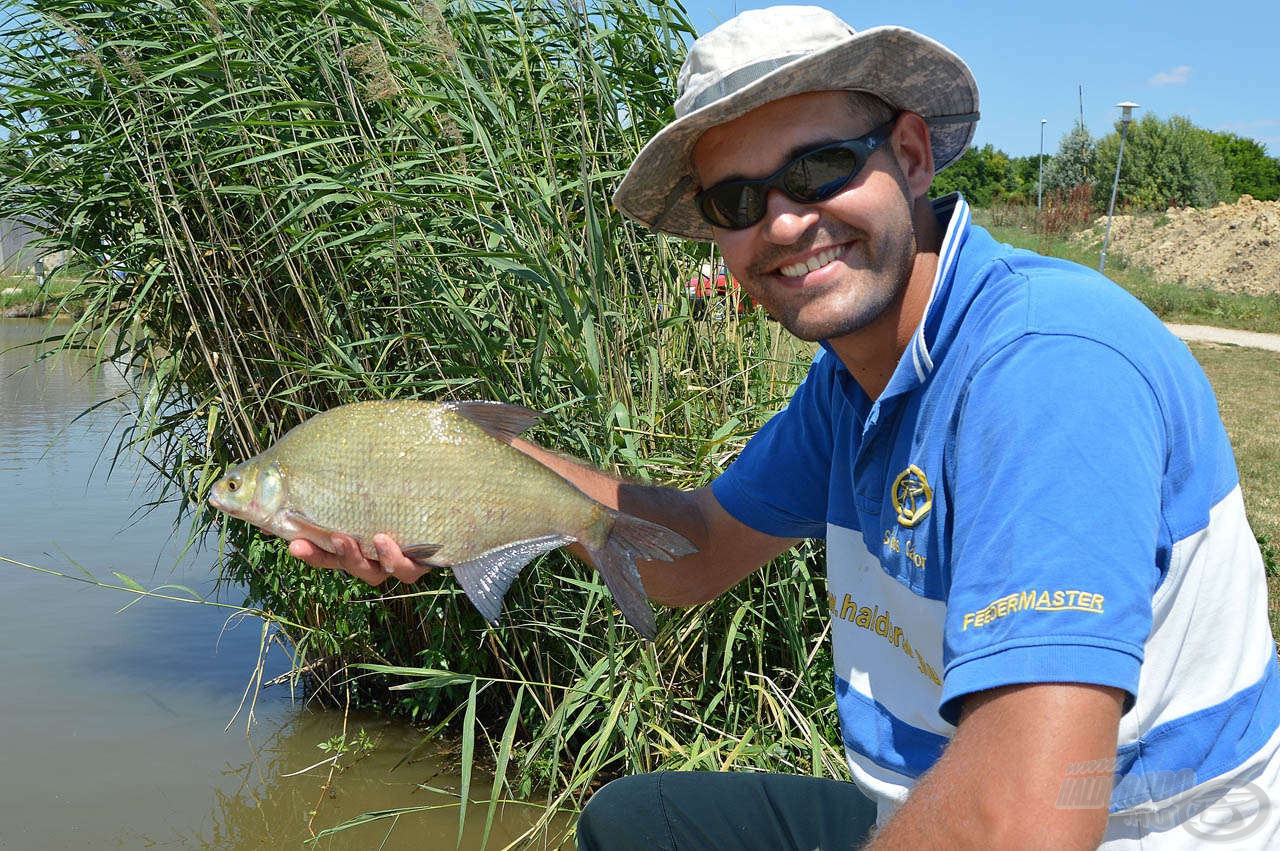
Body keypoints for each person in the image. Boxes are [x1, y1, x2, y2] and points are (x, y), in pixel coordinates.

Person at [291, 6, 1280, 848]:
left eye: (816, 167)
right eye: (737, 196)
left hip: (1132, 829)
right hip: (929, 799)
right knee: (640, 820)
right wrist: (469, 477)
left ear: (907, 153)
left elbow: (1025, 817)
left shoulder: (1046, 368)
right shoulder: (849, 382)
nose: (782, 220)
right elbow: (692, 554)